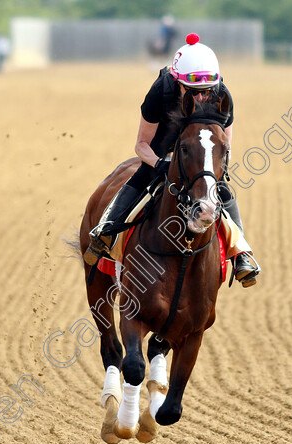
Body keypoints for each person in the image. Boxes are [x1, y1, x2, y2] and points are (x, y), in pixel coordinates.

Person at [85, 33, 261, 287]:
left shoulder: (222, 96)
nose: (201, 98)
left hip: (200, 152)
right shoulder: (160, 91)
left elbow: (225, 146)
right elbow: (141, 145)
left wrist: (212, 172)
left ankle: (242, 255)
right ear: (177, 82)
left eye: (206, 91)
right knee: (141, 177)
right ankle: (105, 230)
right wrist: (160, 164)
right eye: (193, 91)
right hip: (160, 148)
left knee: (221, 191)